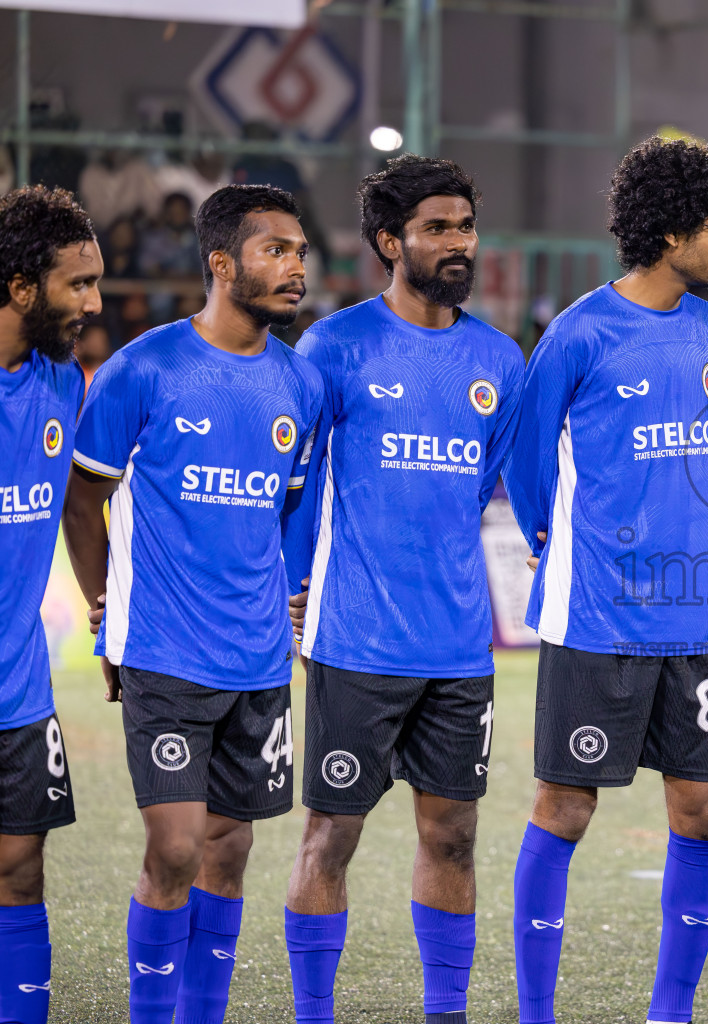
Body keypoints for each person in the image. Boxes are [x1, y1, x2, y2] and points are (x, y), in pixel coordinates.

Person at [502, 135, 708, 1024]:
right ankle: (537, 1013)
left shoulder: (706, 326)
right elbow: (528, 465)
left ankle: (670, 1013)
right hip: (598, 619)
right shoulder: (578, 332)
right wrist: (552, 544)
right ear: (671, 229)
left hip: (690, 622)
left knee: (701, 812)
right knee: (565, 808)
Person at [61, 185, 323, 1024]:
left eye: (300, 252)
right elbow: (82, 498)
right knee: (174, 850)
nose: (295, 268)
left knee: (231, 847)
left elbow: (286, 509)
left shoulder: (300, 385)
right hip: (165, 653)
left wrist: (282, 597)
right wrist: (105, 612)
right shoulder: (143, 367)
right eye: (274, 251)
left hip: (256, 658)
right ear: (221, 263)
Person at [281, 155, 525, 1024]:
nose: (458, 242)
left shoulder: (499, 358)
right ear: (391, 241)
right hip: (357, 645)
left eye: (464, 226)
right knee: (330, 836)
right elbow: (298, 485)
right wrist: (291, 588)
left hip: (459, 652)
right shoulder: (333, 348)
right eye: (437, 228)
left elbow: (492, 486)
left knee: (453, 836)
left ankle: (444, 1013)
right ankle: (315, 1012)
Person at [0, 184, 101, 1024]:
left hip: (20, 688)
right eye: (78, 283)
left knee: (20, 869)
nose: (94, 302)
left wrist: (105, 615)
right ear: (22, 287)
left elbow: (77, 506)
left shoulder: (62, 383)